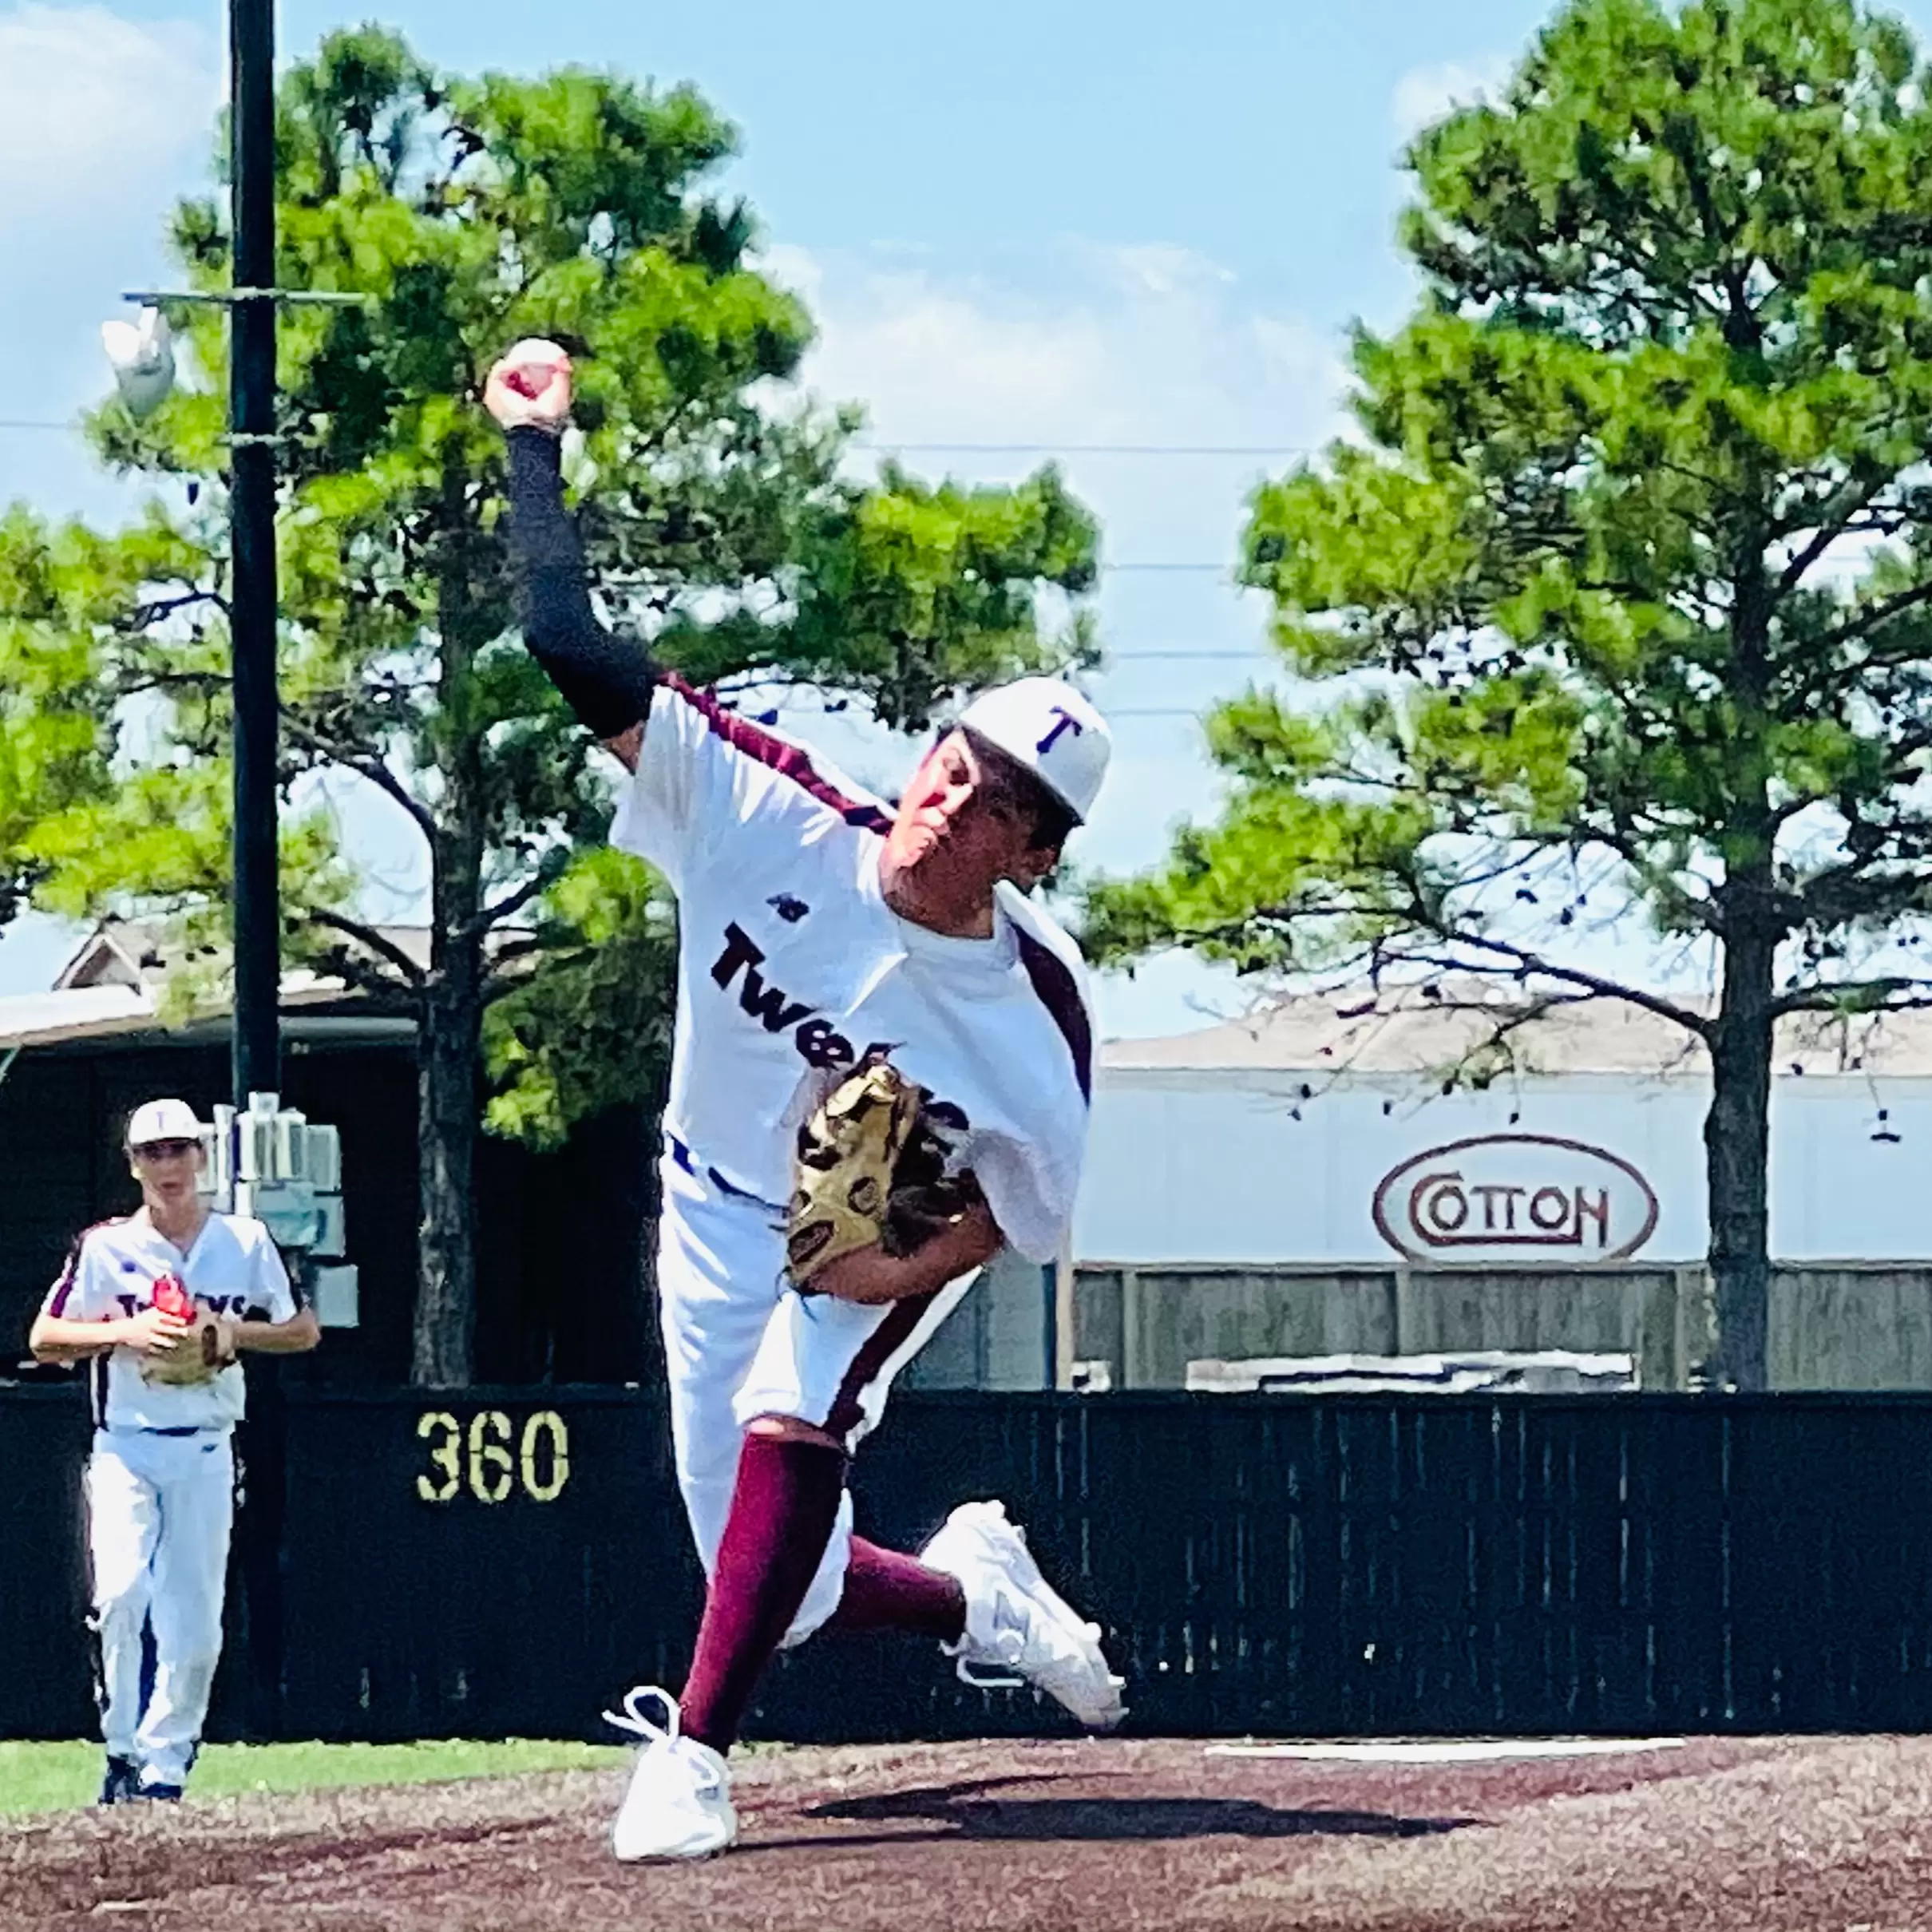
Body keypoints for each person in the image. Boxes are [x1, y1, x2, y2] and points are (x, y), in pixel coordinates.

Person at [486, 338, 1124, 1862]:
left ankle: (694, 1758)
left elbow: (1025, 1215)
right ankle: (977, 1596)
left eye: (1000, 805)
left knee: (795, 1410)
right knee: (782, 1583)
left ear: (1036, 856)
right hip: (712, 1201)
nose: (952, 803)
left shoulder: (1035, 1014)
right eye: (955, 765)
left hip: (878, 1232)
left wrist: (884, 1271)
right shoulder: (765, 812)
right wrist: (533, 450)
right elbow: (565, 642)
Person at [29, 1098, 321, 1803]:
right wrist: (123, 1334)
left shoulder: (244, 1242)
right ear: (133, 1165)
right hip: (126, 1445)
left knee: (193, 1617)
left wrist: (233, 1334)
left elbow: (302, 1329)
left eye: (179, 1150)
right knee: (121, 1593)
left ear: (201, 1156)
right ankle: (122, 1748)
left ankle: (165, 1765)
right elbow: (45, 1338)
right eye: (152, 1153)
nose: (168, 1165)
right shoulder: (106, 1248)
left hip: (206, 1445)